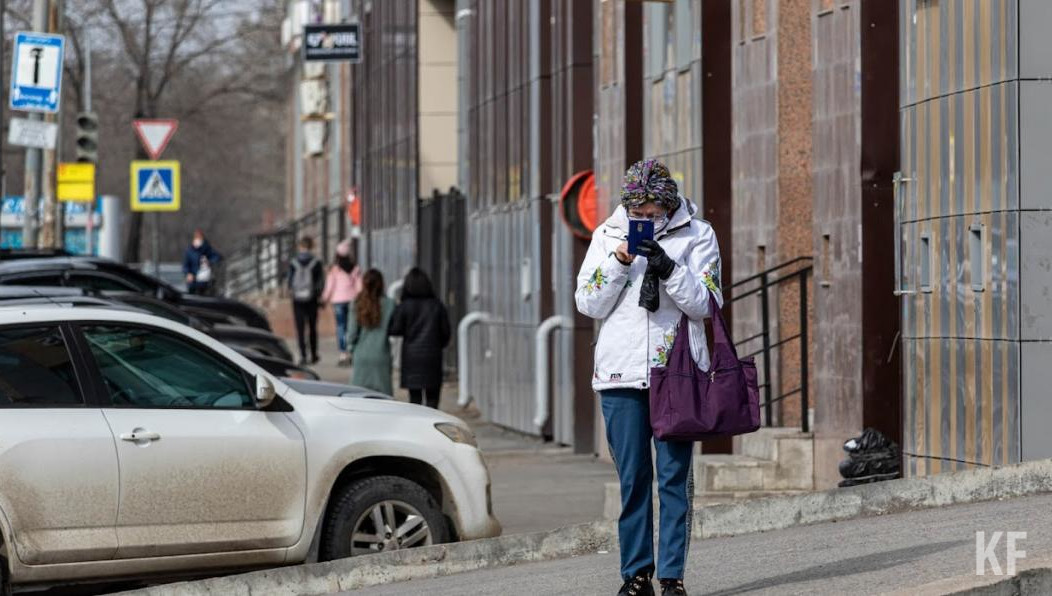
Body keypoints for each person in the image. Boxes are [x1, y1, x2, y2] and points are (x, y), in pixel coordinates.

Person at [575, 159, 722, 596]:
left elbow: (707, 304)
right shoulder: (607, 236)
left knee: (674, 480)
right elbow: (588, 302)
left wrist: (669, 269)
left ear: (668, 204)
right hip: (621, 375)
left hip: (675, 374)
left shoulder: (699, 234)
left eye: (653, 213)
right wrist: (621, 261)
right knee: (633, 480)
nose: (644, 220)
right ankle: (635, 575)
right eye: (637, 213)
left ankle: (672, 577)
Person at [389, 268, 451, 408]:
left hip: (411, 359)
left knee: (415, 401)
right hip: (432, 357)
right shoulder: (437, 305)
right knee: (433, 401)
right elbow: (446, 334)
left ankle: (417, 428)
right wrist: (437, 345)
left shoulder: (404, 306)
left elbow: (394, 329)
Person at [347, 269, 395, 395]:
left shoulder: (357, 303)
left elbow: (351, 333)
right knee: (384, 400)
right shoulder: (390, 304)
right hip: (381, 354)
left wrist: (350, 348)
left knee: (359, 398)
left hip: (361, 355)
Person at [320, 240, 362, 367]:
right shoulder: (356, 268)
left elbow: (329, 287)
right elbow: (360, 287)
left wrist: (324, 299)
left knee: (341, 326)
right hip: (352, 300)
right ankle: (352, 351)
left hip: (338, 301)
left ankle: (343, 353)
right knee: (352, 326)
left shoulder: (334, 270)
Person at [288, 236, 325, 365]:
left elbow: (290, 281)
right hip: (312, 298)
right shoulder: (316, 262)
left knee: (300, 328)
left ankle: (303, 355)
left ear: (300, 247)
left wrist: (291, 291)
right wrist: (318, 294)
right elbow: (321, 281)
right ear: (311, 246)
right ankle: (314, 354)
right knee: (312, 327)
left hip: (297, 299)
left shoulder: (293, 262)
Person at [182, 229, 222, 295]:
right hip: (193, 280)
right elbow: (185, 265)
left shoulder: (207, 249)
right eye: (197, 238)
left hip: (206, 281)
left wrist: (209, 261)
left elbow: (218, 257)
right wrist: (188, 273)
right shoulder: (189, 251)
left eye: (200, 238)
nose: (198, 240)